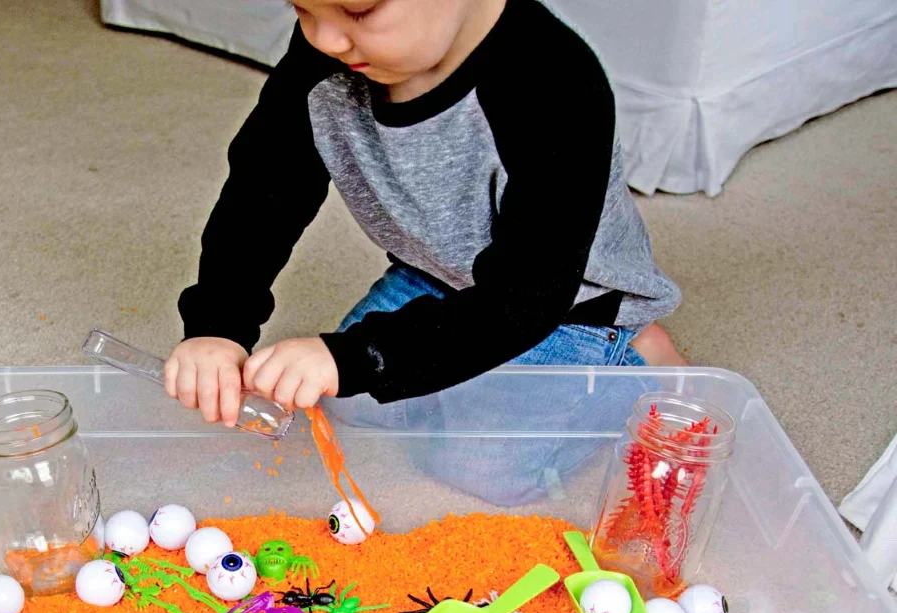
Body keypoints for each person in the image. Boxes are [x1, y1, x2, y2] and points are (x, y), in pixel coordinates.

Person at [164, 0, 685, 435]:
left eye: (359, 11)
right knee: (350, 408)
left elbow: (527, 295)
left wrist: (358, 357)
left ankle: (634, 355)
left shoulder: (554, 81)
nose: (326, 38)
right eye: (301, 8)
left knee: (484, 470)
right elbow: (265, 188)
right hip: (435, 272)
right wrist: (218, 325)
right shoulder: (325, 55)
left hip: (568, 303)